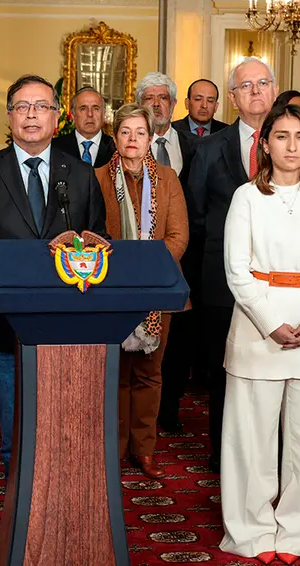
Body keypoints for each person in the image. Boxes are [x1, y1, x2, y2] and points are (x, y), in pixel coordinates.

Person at [0, 74, 107, 473]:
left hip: (68, 324)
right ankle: (18, 503)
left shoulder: (81, 175)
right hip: (4, 325)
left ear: (57, 118)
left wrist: (89, 248)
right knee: (15, 432)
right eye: (22, 107)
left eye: (41, 107)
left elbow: (100, 238)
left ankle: (64, 495)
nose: (32, 115)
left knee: (66, 428)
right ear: (9, 117)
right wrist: (1, 265)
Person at [220, 102, 300, 564]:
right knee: (251, 441)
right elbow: (237, 270)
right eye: (281, 136)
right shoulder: (246, 197)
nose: (291, 146)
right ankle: (252, 532)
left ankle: (299, 532)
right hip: (259, 331)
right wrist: (271, 323)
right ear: (265, 144)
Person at [186, 57, 278, 472]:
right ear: (234, 97)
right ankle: (224, 454)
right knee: (225, 369)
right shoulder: (208, 148)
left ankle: (269, 455)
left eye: (263, 83)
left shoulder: (295, 140)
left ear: (274, 89)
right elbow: (196, 215)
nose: (255, 91)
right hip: (222, 279)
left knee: (274, 370)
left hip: (282, 281)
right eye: (246, 85)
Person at [93, 103, 188, 478]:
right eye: (125, 132)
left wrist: (147, 273)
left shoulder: (167, 178)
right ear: (114, 137)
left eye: (140, 132)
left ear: (151, 139)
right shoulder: (97, 179)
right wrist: (121, 276)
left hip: (157, 289)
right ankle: (114, 448)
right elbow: (92, 236)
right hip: (110, 290)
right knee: (115, 373)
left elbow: (178, 236)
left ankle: (144, 449)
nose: (133, 139)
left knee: (149, 373)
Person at [136, 71, 199, 433]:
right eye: (150, 98)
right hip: (137, 266)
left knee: (178, 345)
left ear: (174, 105)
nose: (157, 104)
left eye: (164, 98)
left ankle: (169, 411)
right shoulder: (125, 146)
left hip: (184, 260)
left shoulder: (196, 145)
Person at [51, 86, 116, 167]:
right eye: (83, 108)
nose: (90, 114)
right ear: (73, 116)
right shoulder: (54, 147)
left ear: (103, 114)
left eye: (96, 108)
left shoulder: (116, 148)